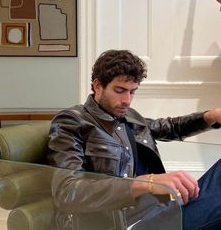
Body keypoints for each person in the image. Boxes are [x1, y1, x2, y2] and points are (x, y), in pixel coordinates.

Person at [47, 49, 221, 230]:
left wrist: (212, 116)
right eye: (120, 90)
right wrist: (147, 183)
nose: (127, 100)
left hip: (161, 211)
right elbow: (67, 192)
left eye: (132, 92)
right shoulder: (73, 121)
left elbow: (170, 127)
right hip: (127, 224)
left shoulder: (128, 117)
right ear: (97, 86)